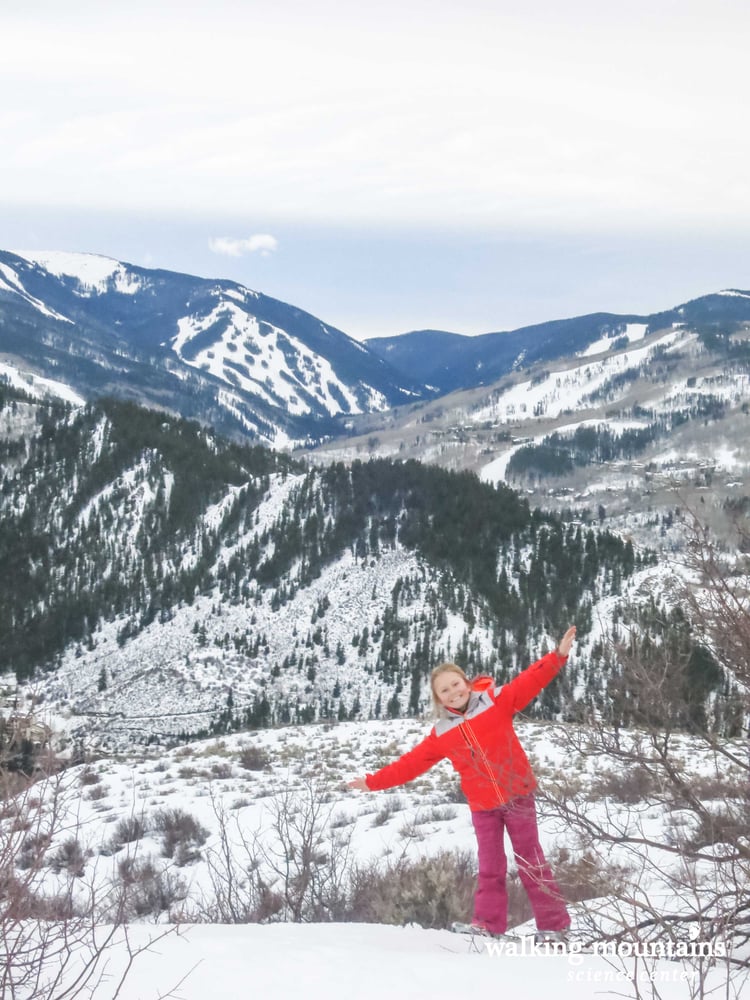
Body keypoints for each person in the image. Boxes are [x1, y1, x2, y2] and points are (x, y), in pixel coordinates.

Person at [347, 626, 577, 940]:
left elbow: (530, 681)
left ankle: (554, 927)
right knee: (490, 866)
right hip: (483, 807)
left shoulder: (497, 701)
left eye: (456, 684)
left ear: (466, 682)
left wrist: (557, 656)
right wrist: (372, 782)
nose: (454, 692)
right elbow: (410, 765)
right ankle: (487, 926)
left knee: (530, 859)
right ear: (438, 698)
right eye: (445, 691)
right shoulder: (442, 733)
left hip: (518, 796)